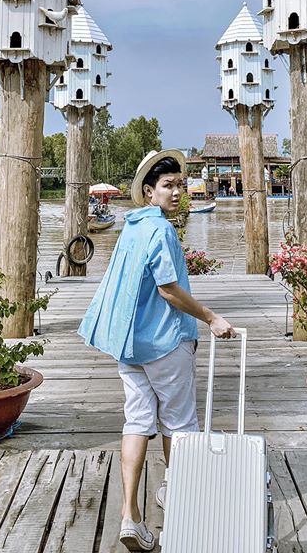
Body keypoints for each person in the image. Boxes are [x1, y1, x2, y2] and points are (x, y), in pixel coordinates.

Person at [78, 149, 235, 552]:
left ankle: (130, 515)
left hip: (131, 344)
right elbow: (168, 290)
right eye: (168, 185)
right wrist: (211, 317)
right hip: (165, 342)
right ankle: (178, 496)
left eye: (180, 184)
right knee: (179, 424)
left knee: (136, 422)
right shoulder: (161, 230)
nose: (177, 192)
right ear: (149, 191)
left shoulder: (132, 227)